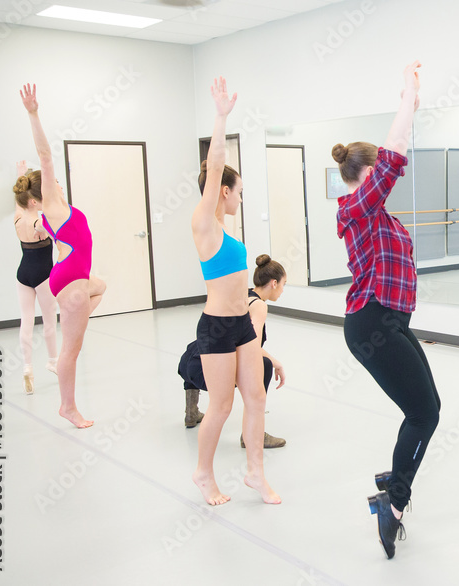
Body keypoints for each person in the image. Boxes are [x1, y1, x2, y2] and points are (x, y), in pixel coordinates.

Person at [334, 61, 440, 560]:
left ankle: (390, 482)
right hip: (371, 322)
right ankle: (392, 504)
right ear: (367, 174)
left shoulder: (377, 214)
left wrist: (411, 105)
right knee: (423, 412)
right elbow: (395, 156)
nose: (388, 175)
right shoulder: (355, 208)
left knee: (425, 409)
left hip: (390, 322)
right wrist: (408, 98)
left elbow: (392, 157)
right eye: (381, 170)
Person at [190, 77, 279, 506]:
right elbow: (216, 163)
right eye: (238, 192)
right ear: (221, 191)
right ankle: (204, 475)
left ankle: (255, 473)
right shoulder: (204, 223)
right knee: (221, 407)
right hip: (216, 328)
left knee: (256, 397)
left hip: (241, 321)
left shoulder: (226, 229)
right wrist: (221, 118)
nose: (239, 199)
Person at [19, 84, 106, 428]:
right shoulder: (52, 206)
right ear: (45, 190)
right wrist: (33, 113)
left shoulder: (53, 210)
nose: (57, 182)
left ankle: (76, 321)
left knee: (102, 286)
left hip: (73, 278)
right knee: (71, 351)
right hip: (69, 280)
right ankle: (67, 407)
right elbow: (45, 156)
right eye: (50, 182)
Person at [179, 255, 287, 449]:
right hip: (209, 374)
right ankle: (252, 435)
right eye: (283, 284)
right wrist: (276, 362)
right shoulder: (260, 306)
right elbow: (250, 346)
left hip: (189, 363)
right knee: (264, 366)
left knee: (203, 346)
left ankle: (191, 412)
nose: (282, 290)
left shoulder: (242, 294)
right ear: (273, 283)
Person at [11, 159, 59, 393]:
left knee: (26, 322)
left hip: (23, 274)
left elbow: (19, 197)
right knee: (49, 321)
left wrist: (21, 173)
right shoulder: (40, 222)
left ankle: (27, 368)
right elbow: (53, 215)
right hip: (43, 276)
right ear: (33, 201)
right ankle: (52, 361)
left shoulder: (19, 215)